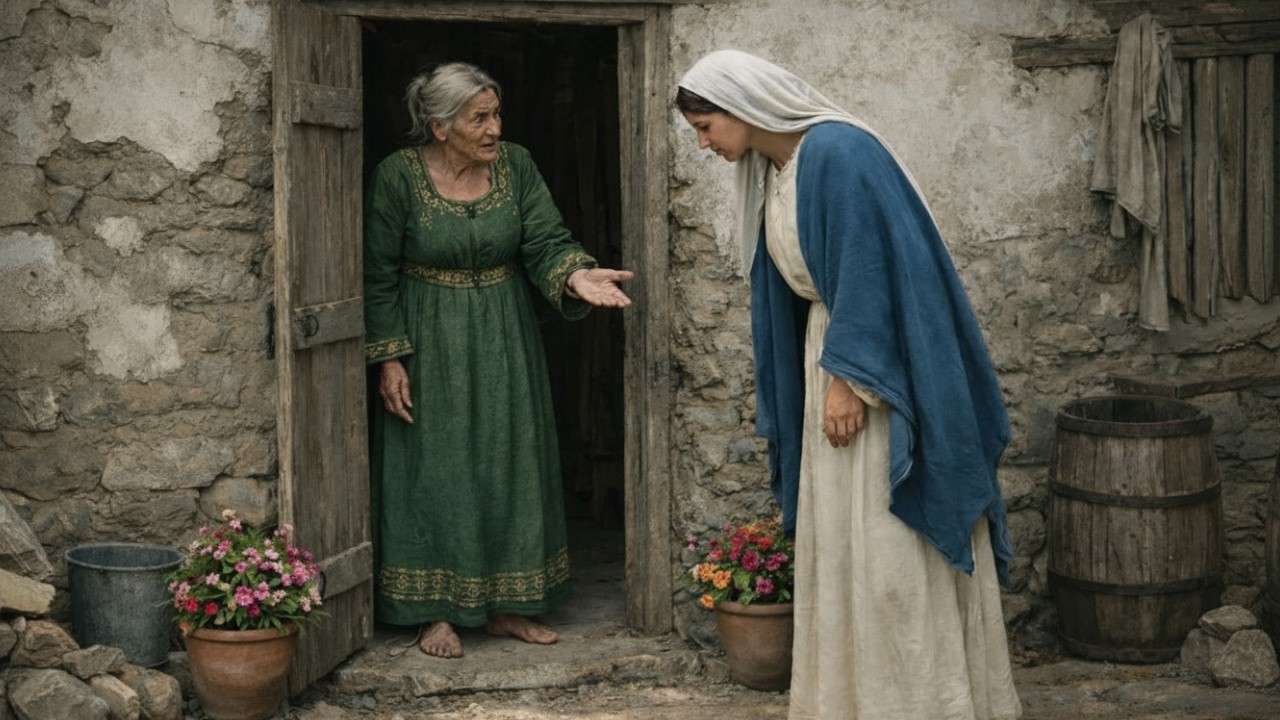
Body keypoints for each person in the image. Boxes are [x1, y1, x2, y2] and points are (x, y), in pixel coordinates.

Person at [676, 50, 1022, 719]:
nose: (704, 143)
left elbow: (870, 272)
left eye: (706, 125)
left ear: (742, 106)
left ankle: (921, 701)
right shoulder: (776, 170)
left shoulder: (837, 151)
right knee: (848, 542)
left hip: (881, 374)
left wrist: (849, 384)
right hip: (832, 356)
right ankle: (859, 699)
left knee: (887, 540)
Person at [363, 62, 633, 659]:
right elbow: (376, 275)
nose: (494, 129)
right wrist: (390, 358)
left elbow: (544, 240)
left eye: (496, 114)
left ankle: (510, 605)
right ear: (438, 127)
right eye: (478, 118)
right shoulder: (396, 178)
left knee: (510, 457)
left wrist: (575, 273)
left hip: (504, 334)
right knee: (431, 467)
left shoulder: (517, 164)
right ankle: (433, 612)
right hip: (428, 336)